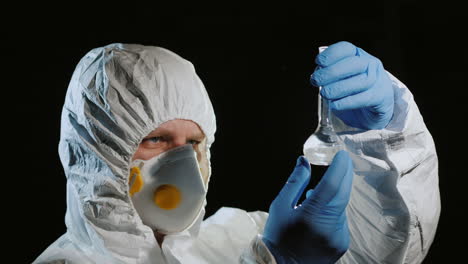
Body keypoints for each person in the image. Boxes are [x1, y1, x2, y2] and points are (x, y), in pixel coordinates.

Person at [34, 41, 440, 264]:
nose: (183, 164)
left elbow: (376, 257)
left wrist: (381, 138)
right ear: (98, 152)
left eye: (193, 144)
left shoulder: (234, 238)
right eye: (155, 139)